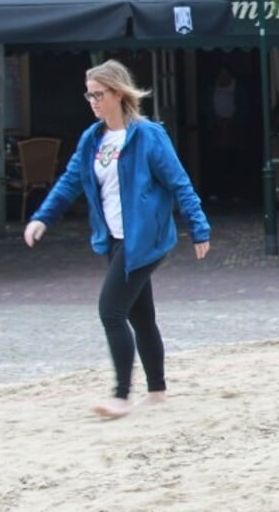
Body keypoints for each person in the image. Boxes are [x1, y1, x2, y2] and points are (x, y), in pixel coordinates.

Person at [23, 59, 212, 419]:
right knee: (141, 316)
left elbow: (179, 182)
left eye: (99, 94)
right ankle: (157, 392)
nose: (92, 101)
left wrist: (198, 227)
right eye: (88, 95)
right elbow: (69, 182)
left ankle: (121, 395)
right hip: (114, 238)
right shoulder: (92, 138)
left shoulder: (147, 135)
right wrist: (42, 217)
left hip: (144, 239)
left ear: (118, 93)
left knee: (110, 311)